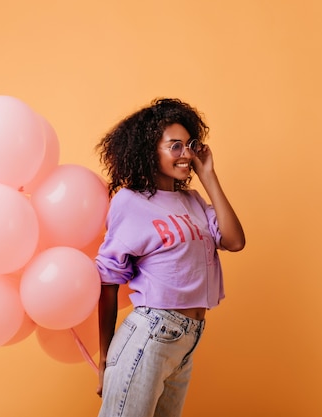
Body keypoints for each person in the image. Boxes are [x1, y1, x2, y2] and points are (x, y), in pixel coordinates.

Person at [94, 98, 246, 417]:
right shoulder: (130, 202)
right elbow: (108, 280)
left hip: (187, 340)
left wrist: (209, 176)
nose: (186, 154)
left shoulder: (191, 200)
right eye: (174, 146)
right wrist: (105, 357)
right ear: (150, 151)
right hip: (150, 333)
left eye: (189, 144)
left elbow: (234, 241)